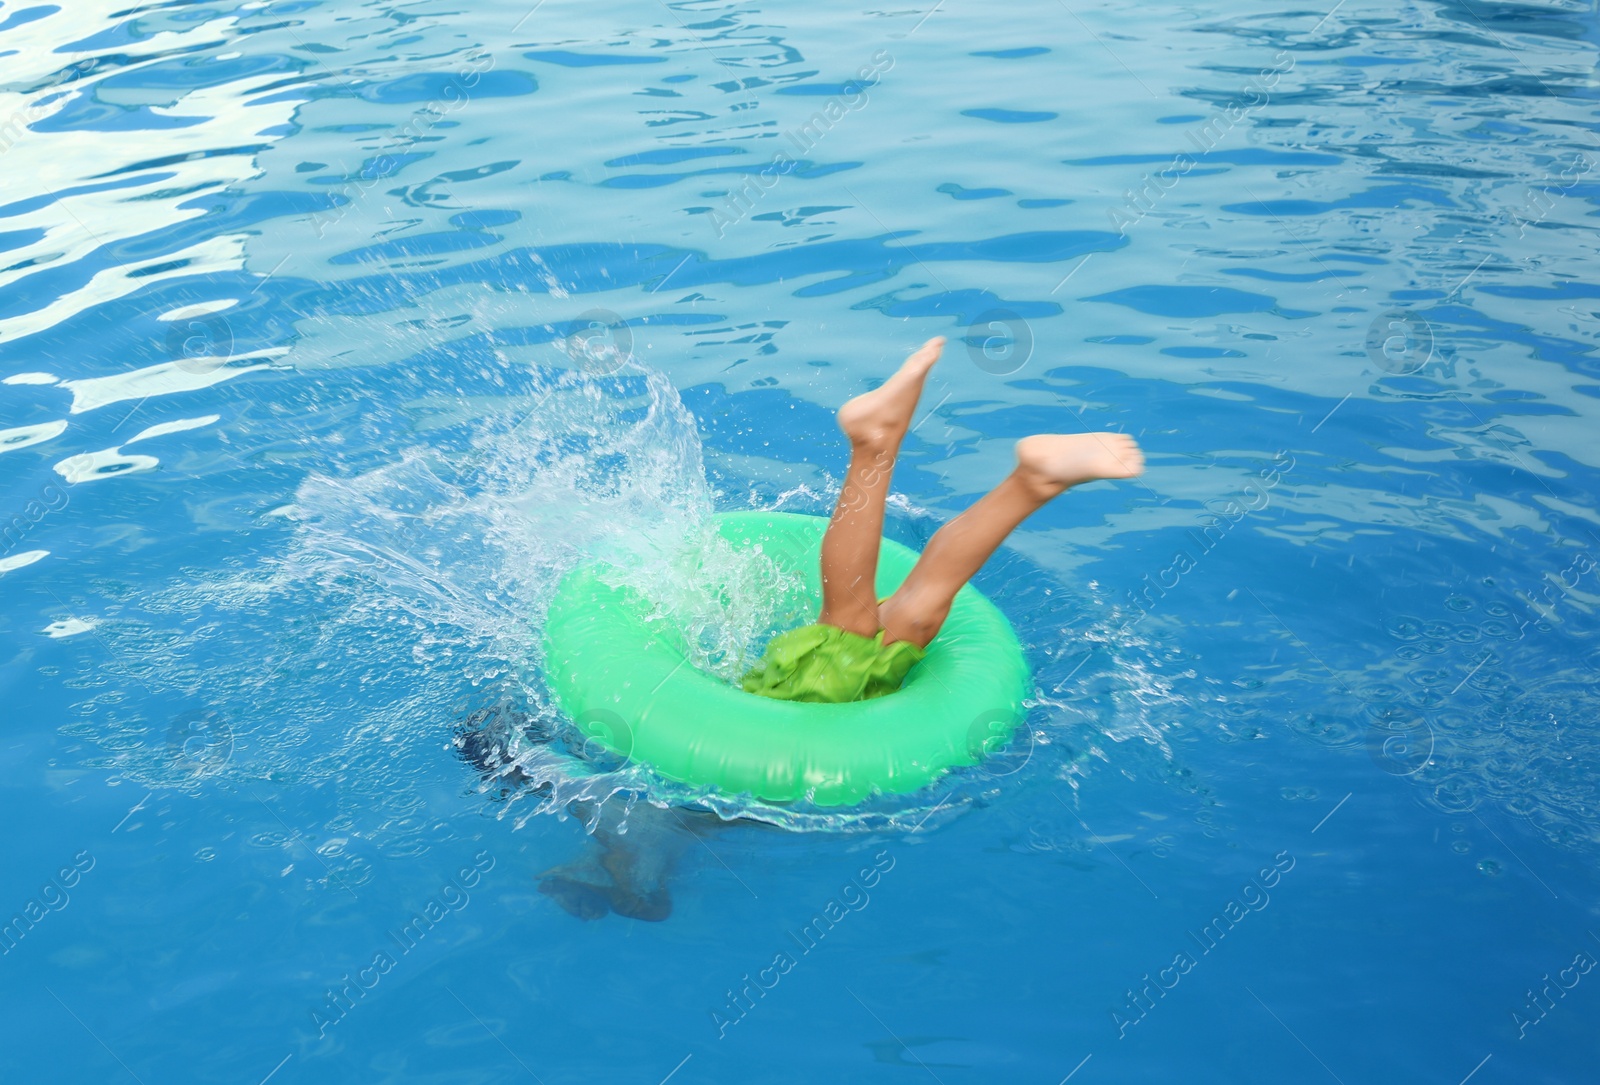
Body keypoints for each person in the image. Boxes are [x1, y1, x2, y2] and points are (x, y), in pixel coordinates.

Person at [741, 336, 1145, 703]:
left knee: (844, 636)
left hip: (778, 714)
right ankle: (1033, 483)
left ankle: (874, 445)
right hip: (835, 713)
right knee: (915, 623)